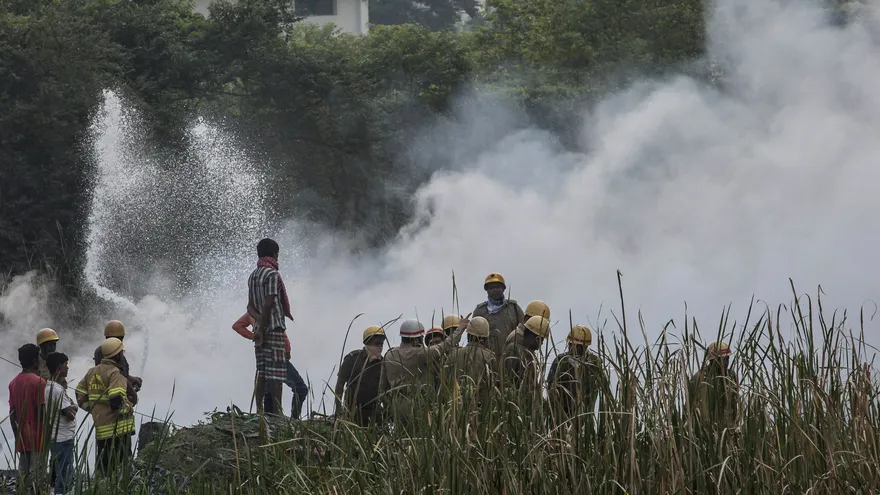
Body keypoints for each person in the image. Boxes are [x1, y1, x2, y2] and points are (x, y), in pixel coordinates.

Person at [247, 238, 294, 416]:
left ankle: (259, 411)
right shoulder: (272, 275)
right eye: (277, 255)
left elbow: (250, 307)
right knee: (276, 374)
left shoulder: (253, 275)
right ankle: (277, 414)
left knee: (262, 371)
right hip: (272, 329)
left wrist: (258, 324)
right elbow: (268, 303)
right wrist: (264, 327)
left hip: (260, 330)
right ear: (274, 254)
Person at [232, 311, 309, 418]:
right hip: (276, 354)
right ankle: (293, 420)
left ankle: (269, 418)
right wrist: (254, 336)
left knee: (269, 390)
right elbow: (280, 333)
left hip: (266, 354)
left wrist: (254, 336)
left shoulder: (251, 313)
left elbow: (237, 326)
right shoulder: (269, 309)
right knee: (300, 388)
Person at [76, 338, 135, 475]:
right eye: (122, 353)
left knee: (104, 467)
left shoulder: (92, 372)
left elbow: (79, 393)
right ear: (117, 355)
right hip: (118, 431)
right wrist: (129, 407)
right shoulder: (115, 373)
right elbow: (116, 401)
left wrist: (92, 409)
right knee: (121, 469)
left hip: (102, 431)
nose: (123, 355)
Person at [547, 325, 606, 422]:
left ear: (585, 346)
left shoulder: (593, 362)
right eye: (571, 344)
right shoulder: (560, 361)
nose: (574, 348)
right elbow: (550, 386)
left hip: (584, 413)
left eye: (579, 346)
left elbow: (600, 386)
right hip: (561, 413)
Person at [8, 343, 47, 485]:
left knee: (23, 477)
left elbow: (12, 413)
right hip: (38, 440)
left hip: (22, 439)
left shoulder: (13, 383)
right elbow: (41, 412)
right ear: (34, 361)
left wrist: (17, 435)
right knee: (37, 479)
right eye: (38, 357)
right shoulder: (39, 382)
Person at [333, 325, 386, 427]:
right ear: (367, 343)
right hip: (353, 411)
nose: (380, 347)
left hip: (374, 412)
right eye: (376, 343)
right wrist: (338, 411)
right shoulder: (352, 359)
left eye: (381, 343)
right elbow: (340, 385)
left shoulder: (383, 363)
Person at [444, 316, 497, 408]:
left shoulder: (453, 355)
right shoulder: (489, 357)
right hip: (481, 408)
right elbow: (494, 385)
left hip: (455, 407)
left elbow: (444, 381)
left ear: (468, 335)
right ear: (485, 338)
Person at [44, 352, 77, 494]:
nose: (68, 368)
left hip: (55, 437)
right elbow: (70, 414)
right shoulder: (57, 390)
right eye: (66, 365)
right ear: (59, 368)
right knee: (65, 476)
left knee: (61, 473)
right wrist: (74, 407)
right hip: (63, 439)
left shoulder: (47, 387)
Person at [688, 341, 740, 428]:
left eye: (727, 359)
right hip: (705, 428)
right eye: (721, 360)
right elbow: (689, 405)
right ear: (712, 360)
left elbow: (734, 403)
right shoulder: (699, 378)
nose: (726, 363)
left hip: (726, 428)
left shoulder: (731, 376)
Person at [472, 273, 524, 357]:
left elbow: (523, 332)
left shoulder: (514, 308)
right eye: (491, 288)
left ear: (503, 289)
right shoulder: (480, 311)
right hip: (488, 359)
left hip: (511, 357)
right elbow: (473, 338)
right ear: (487, 290)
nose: (495, 290)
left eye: (497, 287)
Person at [93, 320, 142, 405]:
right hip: (114, 400)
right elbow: (115, 376)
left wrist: (132, 379)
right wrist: (133, 394)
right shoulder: (108, 353)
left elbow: (121, 374)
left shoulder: (104, 351)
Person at [501, 316, 550, 392]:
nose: (542, 343)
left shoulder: (529, 352)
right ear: (536, 339)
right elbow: (507, 380)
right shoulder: (514, 350)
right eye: (542, 340)